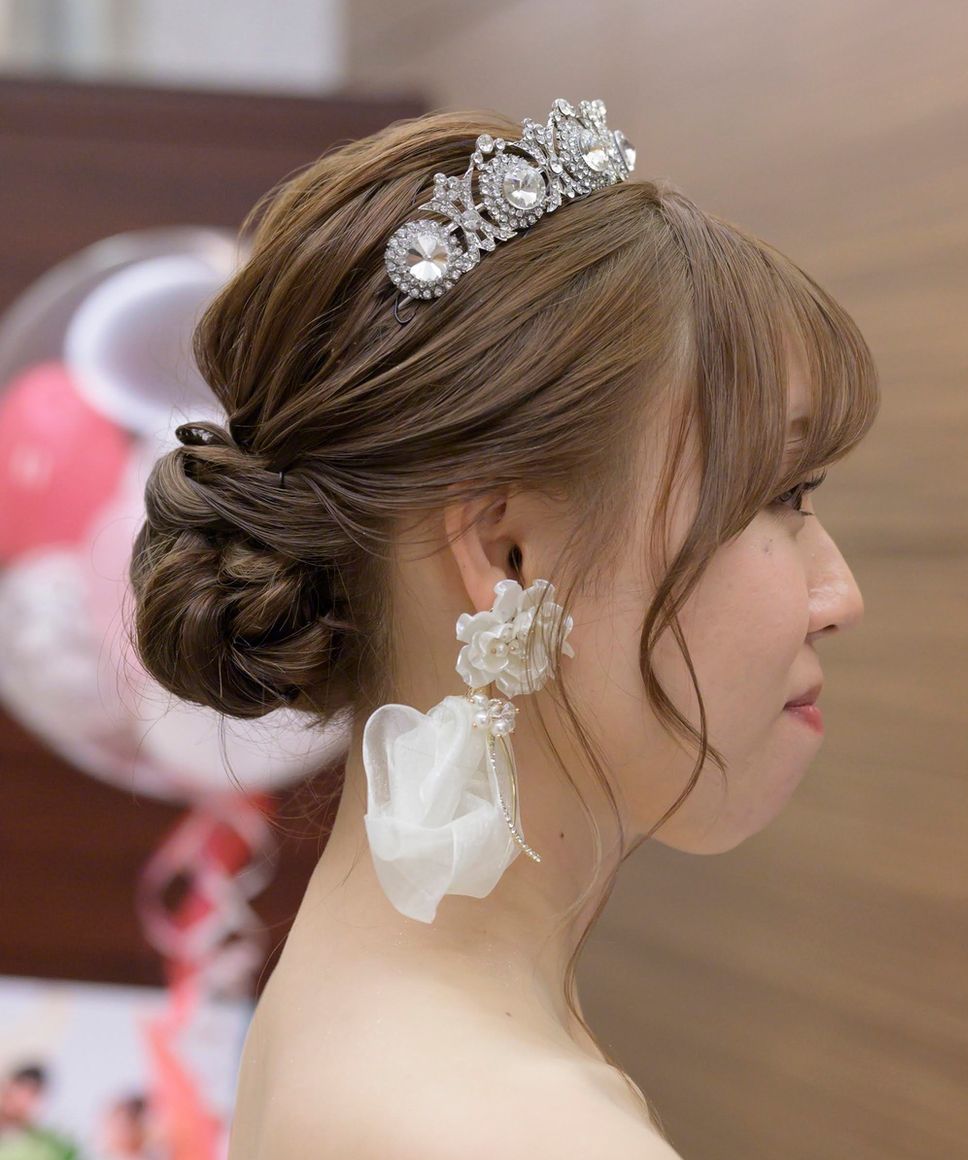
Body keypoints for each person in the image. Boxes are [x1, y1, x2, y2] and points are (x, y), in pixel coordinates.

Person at [128, 97, 879, 1158]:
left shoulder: (356, 1009)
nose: (837, 594)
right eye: (780, 494)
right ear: (506, 549)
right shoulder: (506, 1126)